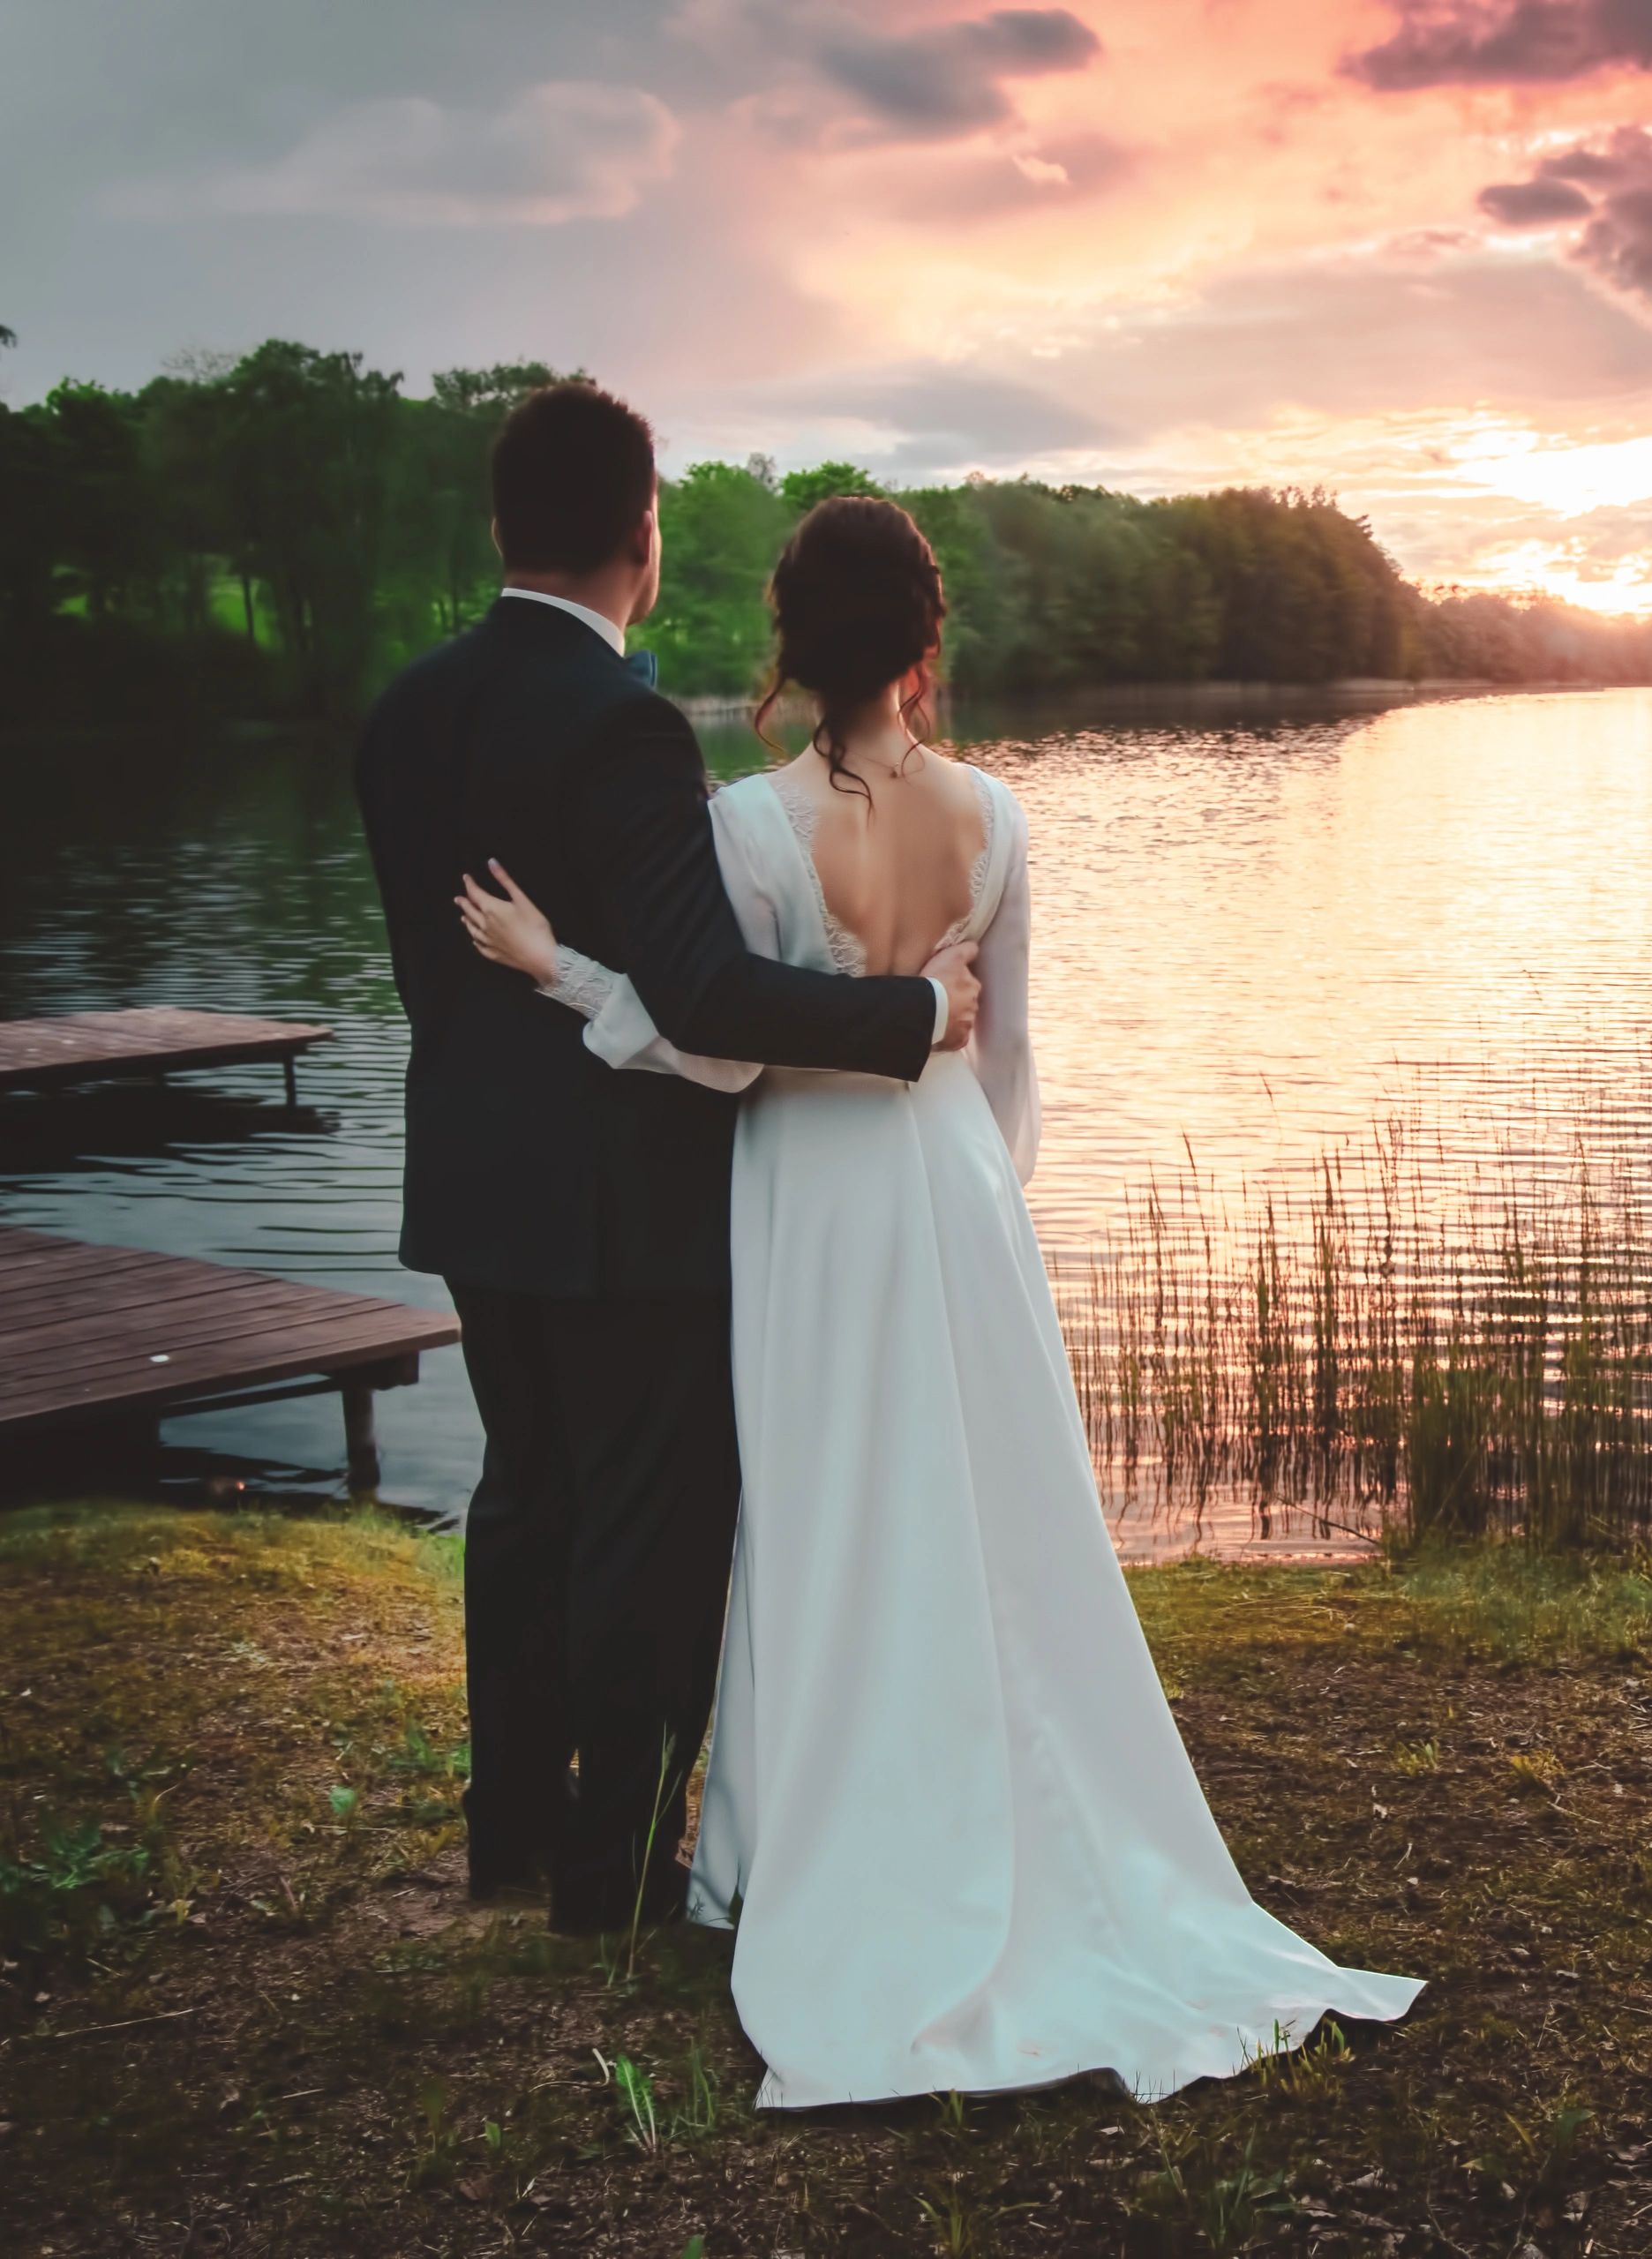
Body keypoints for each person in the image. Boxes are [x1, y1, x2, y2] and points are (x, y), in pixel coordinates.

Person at [456, 494, 1422, 2106]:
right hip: (958, 1191)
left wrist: (558, 966)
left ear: (788, 642)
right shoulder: (1002, 817)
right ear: (925, 638)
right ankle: (1022, 1822)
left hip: (814, 1204)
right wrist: (981, 1192)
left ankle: (807, 1840)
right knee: (987, 1519)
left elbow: (720, 1044)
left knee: (829, 1515)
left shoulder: (747, 821)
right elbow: (1013, 1057)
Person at [355, 384, 980, 1936]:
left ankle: (507, 1841)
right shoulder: (621, 724)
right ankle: (613, 1876)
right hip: (630, 1205)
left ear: (503, 526)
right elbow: (704, 994)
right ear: (641, 532)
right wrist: (909, 1011)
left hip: (478, 1189)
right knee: (649, 1530)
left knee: (524, 1499)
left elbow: (431, 972)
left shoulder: (405, 711)